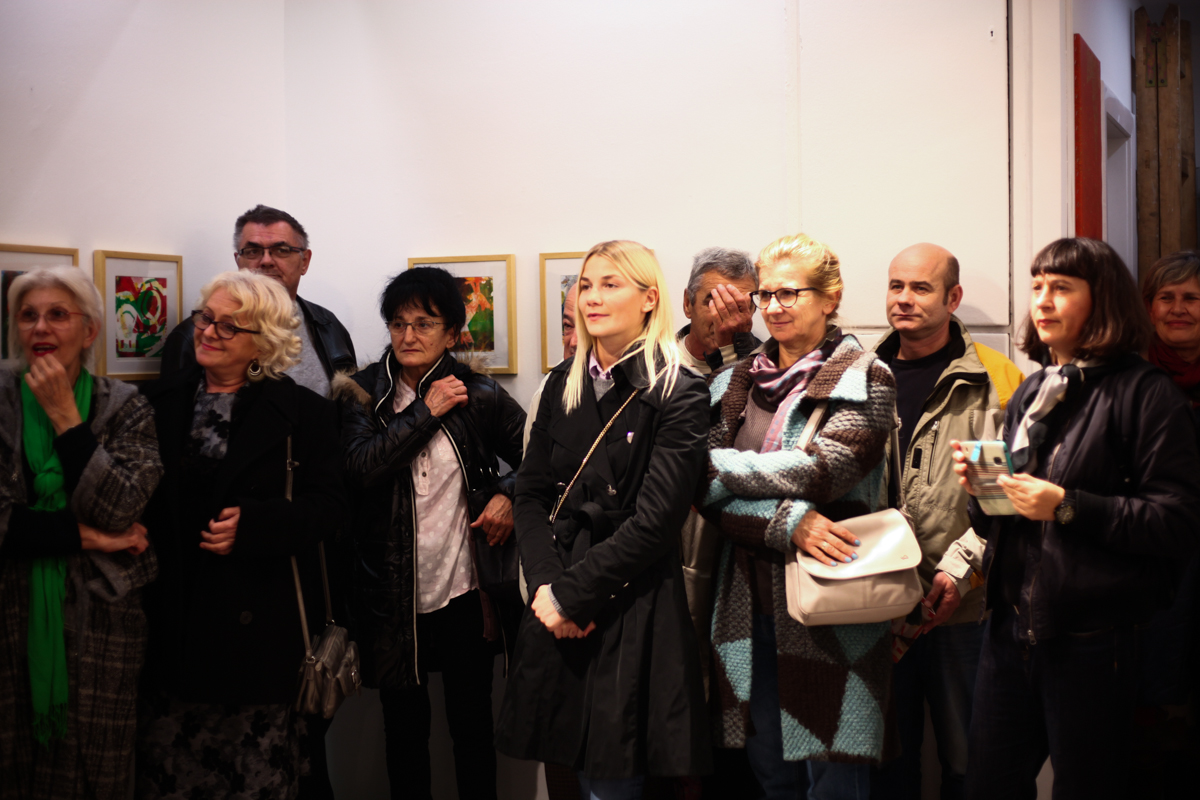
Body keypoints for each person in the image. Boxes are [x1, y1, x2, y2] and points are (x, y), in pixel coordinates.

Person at [951, 238, 1200, 800]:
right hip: (1009, 627)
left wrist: (1066, 505)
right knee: (987, 787)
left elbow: (1177, 522)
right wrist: (984, 492)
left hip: (1092, 638)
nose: (1042, 300)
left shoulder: (1148, 394)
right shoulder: (1034, 389)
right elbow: (1001, 523)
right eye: (1037, 286)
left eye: (1061, 287)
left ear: (1102, 299)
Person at [496, 240, 711, 800]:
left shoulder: (679, 388)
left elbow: (657, 521)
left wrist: (574, 597)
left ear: (649, 298)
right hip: (557, 590)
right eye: (586, 285)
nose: (590, 297)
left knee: (615, 779)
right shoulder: (561, 382)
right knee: (567, 770)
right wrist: (547, 587)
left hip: (630, 597)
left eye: (610, 284)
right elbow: (530, 495)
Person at [699, 233, 897, 800]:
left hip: (833, 606)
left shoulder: (865, 375)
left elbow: (822, 471)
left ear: (830, 298)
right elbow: (702, 495)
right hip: (747, 603)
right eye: (765, 294)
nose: (774, 306)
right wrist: (789, 524)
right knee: (773, 777)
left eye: (790, 293)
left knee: (834, 781)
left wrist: (714, 465)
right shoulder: (734, 380)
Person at [137, 270, 347, 800]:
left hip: (258, 636)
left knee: (254, 782)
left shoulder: (305, 414)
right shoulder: (157, 401)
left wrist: (257, 526)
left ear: (264, 341)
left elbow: (329, 509)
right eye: (206, 318)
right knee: (169, 778)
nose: (209, 332)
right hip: (174, 622)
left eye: (229, 326)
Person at [335, 267, 526, 800]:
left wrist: (508, 494)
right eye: (398, 324)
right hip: (389, 594)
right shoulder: (362, 393)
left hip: (465, 588)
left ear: (452, 333)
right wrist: (426, 410)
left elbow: (542, 458)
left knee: (472, 727)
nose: (408, 336)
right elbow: (360, 469)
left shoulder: (479, 394)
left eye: (424, 324)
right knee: (404, 731)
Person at [867, 243, 1023, 800]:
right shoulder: (862, 375)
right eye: (896, 286)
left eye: (921, 288)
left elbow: (1000, 502)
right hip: (877, 605)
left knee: (970, 761)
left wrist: (960, 572)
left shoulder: (989, 380)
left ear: (953, 298)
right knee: (888, 761)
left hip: (962, 608)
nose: (904, 299)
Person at [0, 266, 161, 799]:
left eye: (57, 314)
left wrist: (67, 420)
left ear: (89, 330)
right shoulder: (1, 400)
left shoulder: (125, 406)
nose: (40, 327)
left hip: (102, 625)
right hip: (12, 614)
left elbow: (121, 507)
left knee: (96, 771)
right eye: (28, 315)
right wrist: (93, 539)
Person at [677, 246, 763, 797]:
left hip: (743, 559)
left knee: (743, 714)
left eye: (743, 301)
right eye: (714, 299)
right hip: (676, 559)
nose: (729, 312)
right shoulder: (657, 367)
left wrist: (736, 349)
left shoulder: (770, 366)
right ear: (687, 303)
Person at [160, 204, 356, 396]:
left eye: (281, 250)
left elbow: (351, 406)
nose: (266, 261)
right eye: (253, 251)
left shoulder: (328, 325)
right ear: (238, 261)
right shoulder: (194, 336)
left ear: (304, 261)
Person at [1132, 250, 1200, 796]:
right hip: (1148, 563)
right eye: (1166, 298)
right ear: (1148, 308)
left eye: (1192, 298)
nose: (1179, 309)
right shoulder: (1129, 379)